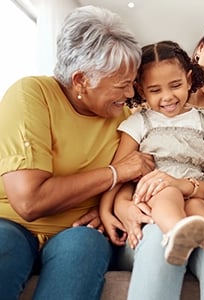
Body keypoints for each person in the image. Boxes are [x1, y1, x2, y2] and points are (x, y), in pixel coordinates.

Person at [0, 5, 154, 300]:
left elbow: (131, 186)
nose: (131, 95)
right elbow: (29, 201)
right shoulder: (32, 95)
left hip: (81, 231)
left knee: (84, 247)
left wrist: (105, 207)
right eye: (122, 85)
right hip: (11, 223)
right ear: (82, 80)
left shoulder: (126, 120)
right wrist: (115, 173)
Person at [113, 14, 204, 300]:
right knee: (158, 235)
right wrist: (118, 206)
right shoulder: (145, 113)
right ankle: (176, 233)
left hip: (198, 199)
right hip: (151, 206)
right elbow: (121, 171)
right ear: (200, 48)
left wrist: (186, 186)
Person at [100, 40, 204, 272]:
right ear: (141, 90)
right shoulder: (139, 122)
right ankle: (175, 233)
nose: (167, 97)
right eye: (155, 90)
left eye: (175, 85)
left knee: (199, 210)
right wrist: (107, 209)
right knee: (169, 193)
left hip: (192, 189)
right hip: (154, 191)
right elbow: (117, 170)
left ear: (189, 79)